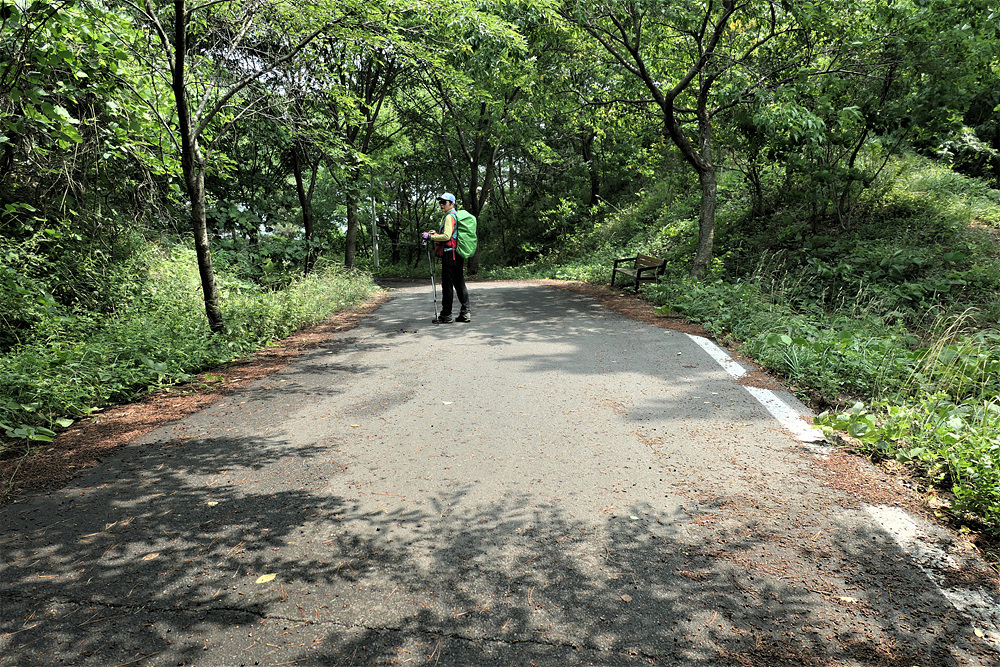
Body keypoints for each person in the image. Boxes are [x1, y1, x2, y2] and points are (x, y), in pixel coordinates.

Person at [426, 192, 470, 324]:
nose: (441, 205)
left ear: (452, 204)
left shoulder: (449, 216)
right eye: (440, 202)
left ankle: (446, 314)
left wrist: (430, 237)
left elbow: (446, 236)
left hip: (450, 255)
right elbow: (451, 235)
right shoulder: (455, 215)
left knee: (447, 285)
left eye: (444, 202)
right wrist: (435, 234)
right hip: (457, 254)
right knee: (459, 283)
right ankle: (465, 313)